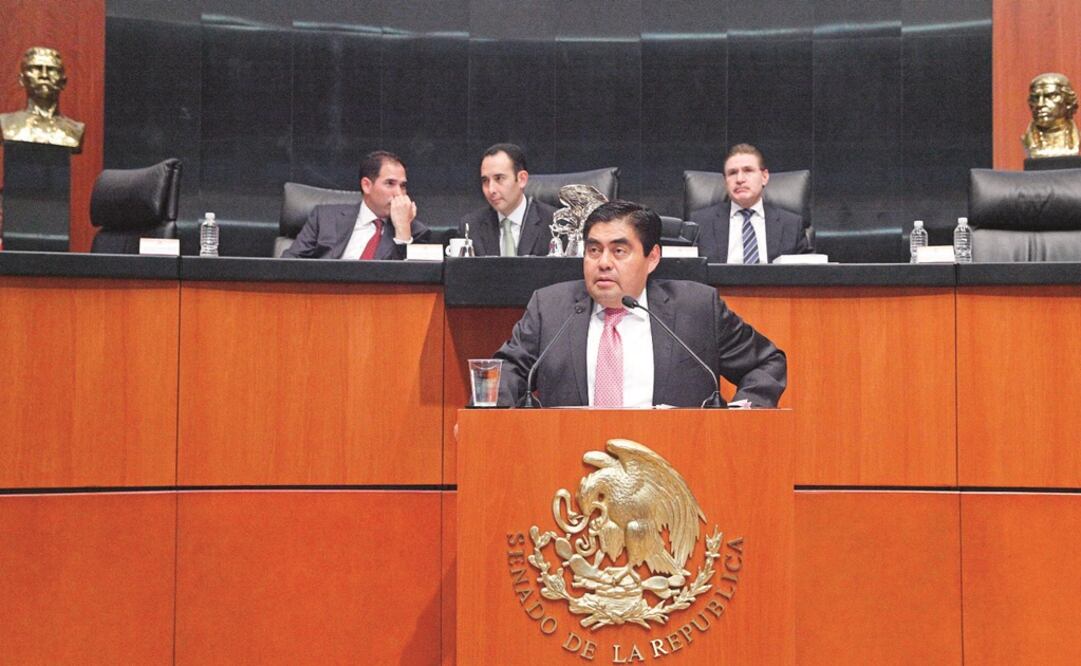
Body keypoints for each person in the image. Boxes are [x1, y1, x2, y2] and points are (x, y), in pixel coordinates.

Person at [494, 200, 786, 408]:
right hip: (571, 466)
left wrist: (742, 418)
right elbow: (508, 371)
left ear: (653, 258)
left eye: (619, 250)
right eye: (593, 250)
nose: (603, 263)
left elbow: (766, 363)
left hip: (674, 469)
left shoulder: (696, 308)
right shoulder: (551, 308)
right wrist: (484, 416)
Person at [283, 150, 428, 259]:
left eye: (402, 186)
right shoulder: (325, 217)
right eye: (390, 183)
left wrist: (403, 229)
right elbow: (288, 264)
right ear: (367, 186)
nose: (399, 193)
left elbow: (408, 284)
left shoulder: (415, 232)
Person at [689, 143, 811, 263]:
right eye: (732, 173)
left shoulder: (791, 225)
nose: (740, 179)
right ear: (725, 181)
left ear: (764, 177)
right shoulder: (700, 223)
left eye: (748, 170)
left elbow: (810, 274)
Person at [457, 143, 557, 256]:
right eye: (485, 181)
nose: (491, 189)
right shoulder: (471, 226)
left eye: (499, 178)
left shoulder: (555, 225)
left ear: (521, 179)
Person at [0, 47, 84, 151]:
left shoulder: (75, 130)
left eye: (52, 70)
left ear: (63, 82)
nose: (44, 75)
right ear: (22, 80)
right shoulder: (5, 123)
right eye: (36, 68)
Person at [1022, 72, 1080, 158]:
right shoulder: (1026, 140)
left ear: (1068, 102)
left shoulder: (1077, 138)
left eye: (1050, 96)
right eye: (1035, 98)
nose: (1040, 104)